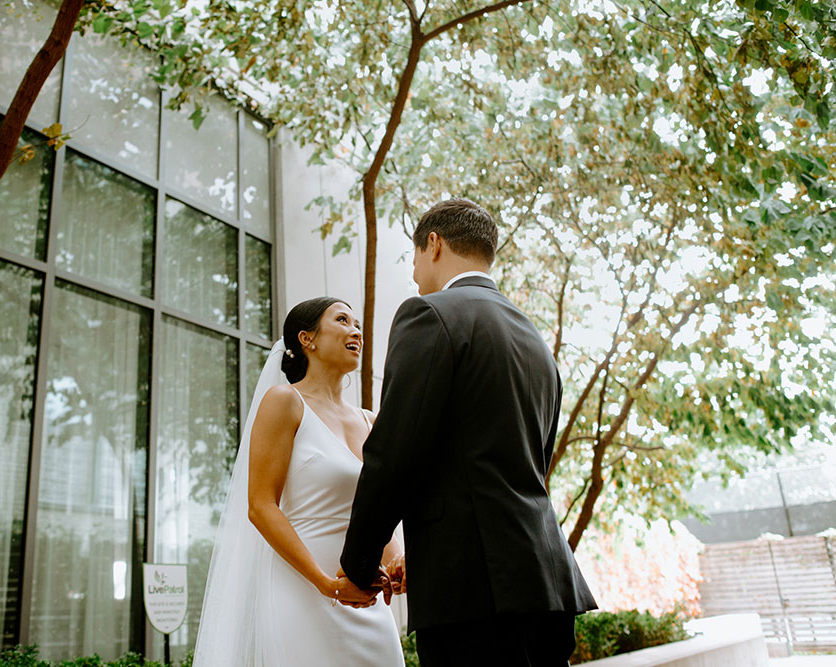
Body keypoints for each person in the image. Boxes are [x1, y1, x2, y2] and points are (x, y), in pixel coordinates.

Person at [340, 198, 598, 666]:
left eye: (415, 256)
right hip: (547, 580)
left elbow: (395, 455)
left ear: (433, 244)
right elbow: (532, 464)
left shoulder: (428, 315)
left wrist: (358, 567)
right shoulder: (533, 338)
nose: (416, 272)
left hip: (473, 596)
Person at [193, 297, 405, 666]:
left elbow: (377, 511)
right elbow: (261, 506)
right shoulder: (284, 402)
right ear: (307, 339)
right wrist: (326, 583)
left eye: (358, 324)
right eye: (342, 320)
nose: (356, 331)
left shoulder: (371, 422)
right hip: (303, 591)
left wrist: (399, 560)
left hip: (364, 596)